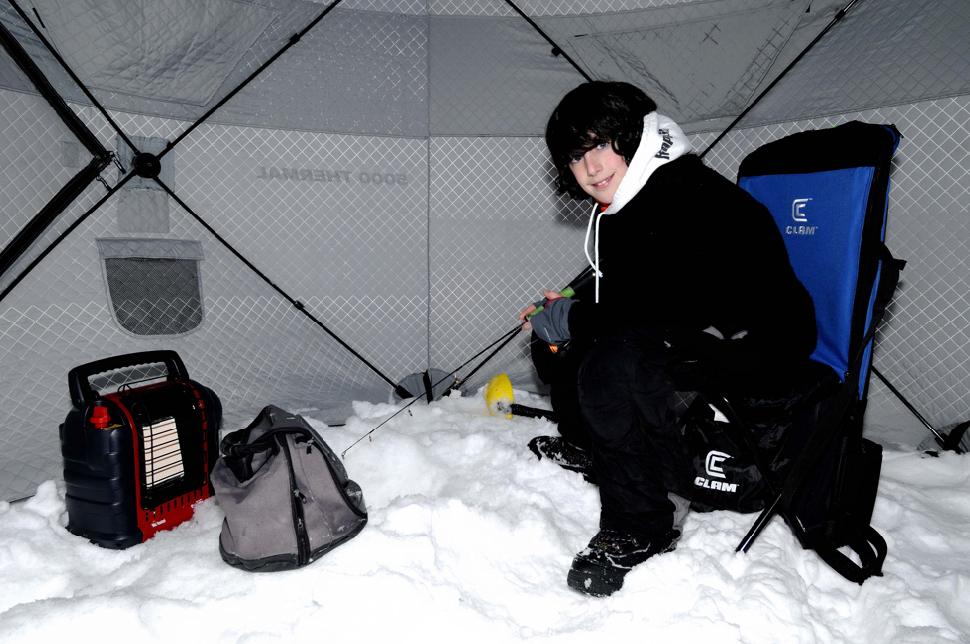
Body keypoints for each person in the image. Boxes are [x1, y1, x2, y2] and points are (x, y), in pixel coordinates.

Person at [520, 81, 817, 597]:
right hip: (687, 330)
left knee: (615, 353)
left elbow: (671, 305)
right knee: (564, 340)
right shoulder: (631, 199)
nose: (590, 167)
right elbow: (626, 284)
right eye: (575, 156)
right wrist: (563, 304)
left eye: (601, 144)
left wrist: (579, 316)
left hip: (759, 344)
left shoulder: (690, 193)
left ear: (634, 136)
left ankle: (643, 523)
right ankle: (600, 449)